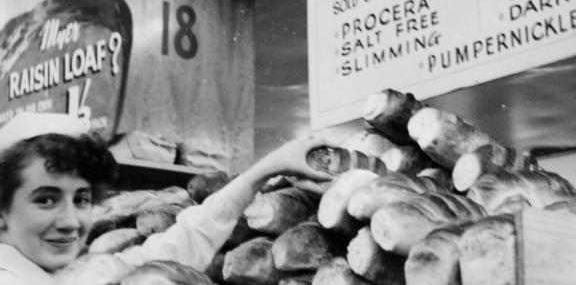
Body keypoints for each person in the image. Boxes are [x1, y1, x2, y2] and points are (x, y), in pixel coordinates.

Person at [0, 113, 333, 285]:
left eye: (82, 199)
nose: (70, 221)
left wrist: (265, 169)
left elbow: (177, 244)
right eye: (45, 200)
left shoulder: (70, 274)